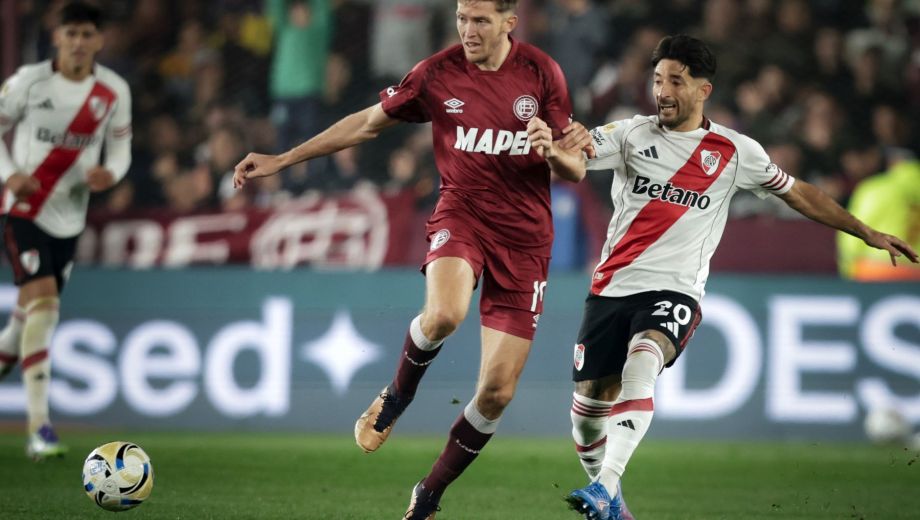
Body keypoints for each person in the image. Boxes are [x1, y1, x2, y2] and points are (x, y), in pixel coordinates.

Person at [232, 1, 589, 518]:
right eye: (462, 18)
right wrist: (284, 159)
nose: (467, 29)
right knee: (445, 313)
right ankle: (398, 395)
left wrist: (552, 151)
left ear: (510, 23)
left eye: (481, 20)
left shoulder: (541, 72)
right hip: (461, 215)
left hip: (526, 241)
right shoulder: (437, 73)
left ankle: (429, 494)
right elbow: (366, 124)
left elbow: (575, 167)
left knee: (495, 394)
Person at [544, 35, 918, 520]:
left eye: (675, 81)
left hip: (675, 290)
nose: (662, 90)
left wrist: (865, 230)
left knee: (644, 359)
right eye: (657, 80)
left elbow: (799, 193)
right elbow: (574, 163)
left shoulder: (734, 151)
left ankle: (605, 487)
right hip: (611, 288)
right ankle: (614, 504)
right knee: (587, 412)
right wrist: (555, 152)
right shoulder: (630, 134)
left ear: (704, 90)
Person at [0, 2, 132, 460]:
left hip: (70, 219)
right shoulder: (28, 83)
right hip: (24, 210)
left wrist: (109, 176)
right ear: (56, 37)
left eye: (86, 34)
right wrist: (9, 173)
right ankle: (40, 429)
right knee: (46, 308)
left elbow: (119, 151)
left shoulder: (113, 91)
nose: (78, 42)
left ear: (100, 41)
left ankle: (37, 423)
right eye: (70, 33)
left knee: (20, 331)